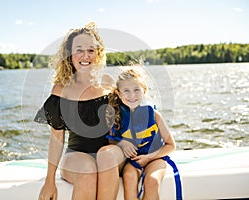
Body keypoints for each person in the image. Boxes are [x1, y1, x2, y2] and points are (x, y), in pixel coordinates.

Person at [34, 22, 125, 200]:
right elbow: (56, 138)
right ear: (69, 54)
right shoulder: (61, 91)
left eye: (91, 50)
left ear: (98, 53)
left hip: (110, 154)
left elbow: (132, 116)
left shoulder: (109, 84)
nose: (85, 55)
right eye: (79, 50)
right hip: (76, 155)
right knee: (87, 170)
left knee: (105, 157)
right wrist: (49, 180)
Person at [107, 69, 182, 200]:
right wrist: (121, 143)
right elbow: (111, 141)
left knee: (152, 181)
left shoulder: (153, 114)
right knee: (129, 177)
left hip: (155, 158)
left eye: (137, 90)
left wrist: (149, 158)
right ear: (119, 94)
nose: (132, 95)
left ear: (144, 90)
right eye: (126, 91)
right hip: (133, 161)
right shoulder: (116, 116)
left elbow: (171, 145)